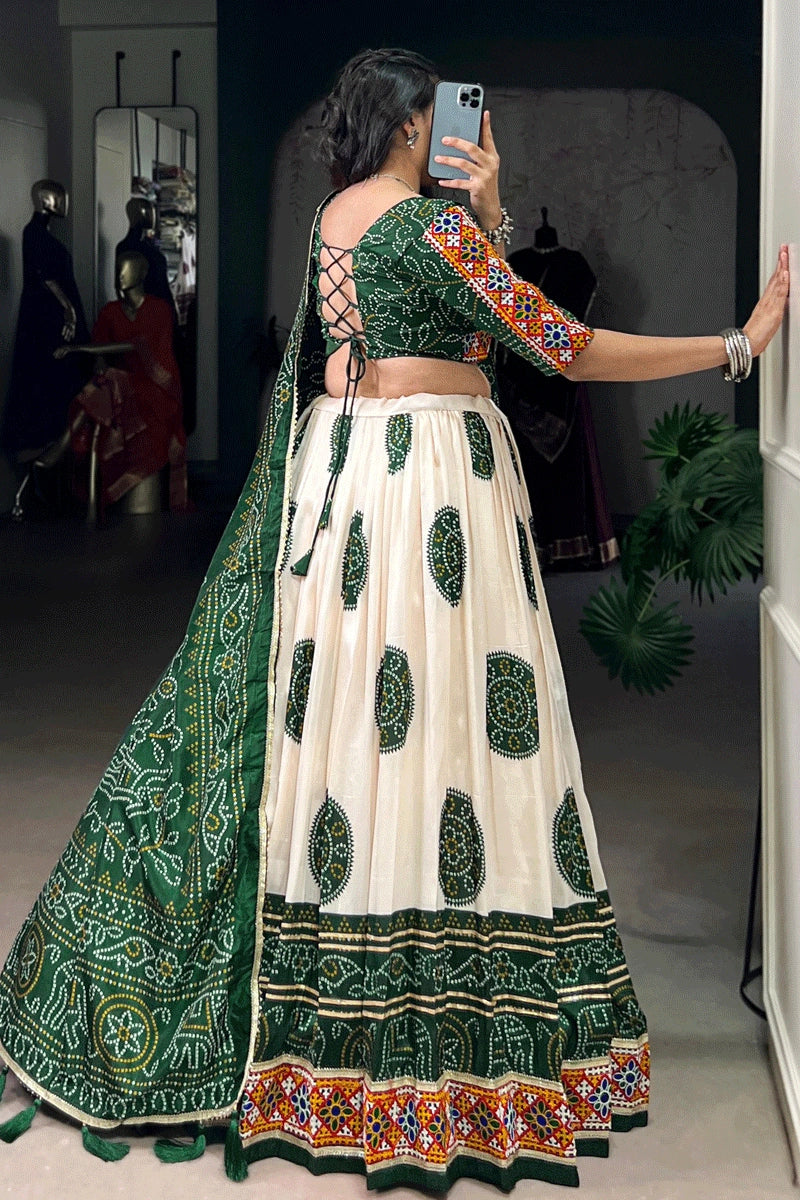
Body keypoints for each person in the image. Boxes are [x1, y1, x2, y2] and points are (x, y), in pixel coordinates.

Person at [0, 48, 788, 1193]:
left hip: (345, 484)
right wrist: (734, 345)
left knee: (352, 727)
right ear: (415, 125)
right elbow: (558, 346)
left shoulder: (337, 218)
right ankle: (431, 1010)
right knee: (443, 730)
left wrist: (489, 212)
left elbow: (426, 322)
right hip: (429, 494)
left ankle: (330, 1008)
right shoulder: (430, 229)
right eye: (440, 117)